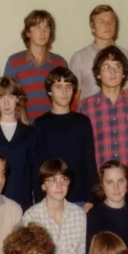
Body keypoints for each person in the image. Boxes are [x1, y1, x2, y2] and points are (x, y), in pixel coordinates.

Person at [33, 67, 97, 209]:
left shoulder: (83, 122)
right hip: (50, 199)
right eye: (58, 86)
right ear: (49, 91)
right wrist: (40, 200)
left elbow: (90, 163)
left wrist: (90, 199)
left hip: (79, 199)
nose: (64, 92)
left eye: (68, 86)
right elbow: (37, 166)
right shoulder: (40, 124)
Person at [22, 159, 88, 254]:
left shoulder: (78, 214)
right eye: (52, 180)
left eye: (63, 179)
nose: (59, 185)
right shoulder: (32, 216)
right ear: (43, 186)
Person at [79, 45, 128, 174]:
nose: (112, 72)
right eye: (106, 67)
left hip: (127, 176)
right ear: (98, 74)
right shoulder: (86, 106)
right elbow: (82, 145)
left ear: (123, 73)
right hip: (98, 177)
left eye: (117, 66)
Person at [0, 76, 36, 211]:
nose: (6, 102)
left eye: (11, 96)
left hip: (22, 202)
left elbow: (34, 171)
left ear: (17, 99)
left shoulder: (29, 132)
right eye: (1, 97)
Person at [3, 10, 68, 121]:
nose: (43, 32)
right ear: (28, 32)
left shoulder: (60, 62)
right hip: (24, 126)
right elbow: (6, 98)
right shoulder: (14, 62)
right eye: (38, 27)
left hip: (53, 125)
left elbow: (65, 99)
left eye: (47, 27)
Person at [69, 4, 128, 101]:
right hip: (89, 110)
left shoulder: (125, 55)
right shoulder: (79, 58)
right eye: (102, 22)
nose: (107, 25)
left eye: (111, 21)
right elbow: (74, 96)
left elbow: (127, 92)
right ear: (92, 28)